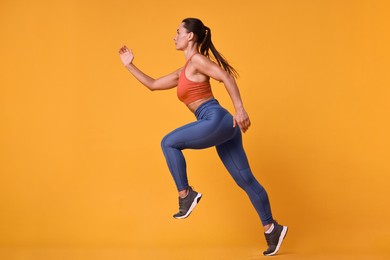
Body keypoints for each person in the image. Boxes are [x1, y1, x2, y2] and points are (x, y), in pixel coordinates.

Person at [118, 18, 287, 256]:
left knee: (168, 142)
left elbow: (226, 76)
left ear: (190, 37)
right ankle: (272, 229)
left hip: (216, 118)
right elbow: (153, 84)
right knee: (245, 180)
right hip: (220, 125)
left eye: (178, 32)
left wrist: (240, 110)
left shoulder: (197, 60)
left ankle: (186, 195)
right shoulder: (183, 71)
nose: (174, 36)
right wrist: (129, 65)